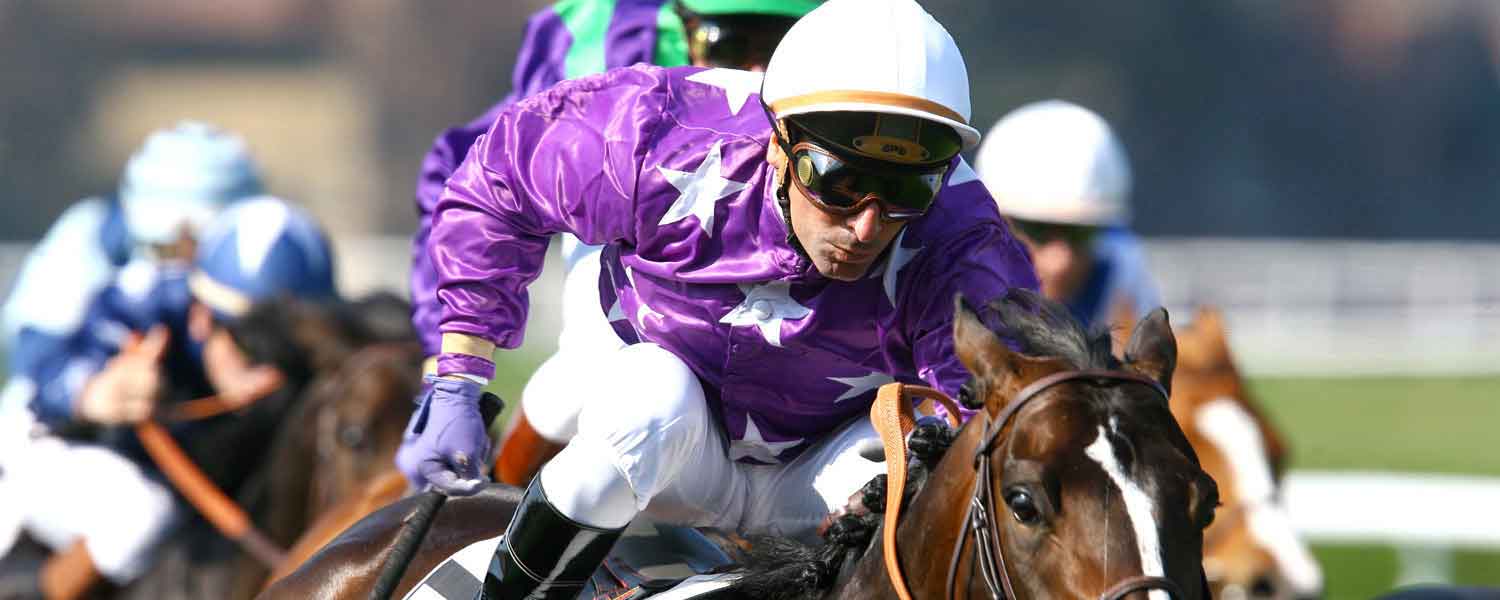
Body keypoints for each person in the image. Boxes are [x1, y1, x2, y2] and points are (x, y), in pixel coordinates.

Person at [396, 0, 1038, 597]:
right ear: (779, 142)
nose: (867, 226)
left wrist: (914, 478)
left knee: (923, 469)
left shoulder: (965, 234)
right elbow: (497, 180)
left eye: (906, 190)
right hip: (672, 437)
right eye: (839, 181)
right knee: (647, 399)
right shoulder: (655, 128)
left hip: (823, 469)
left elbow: (988, 406)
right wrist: (458, 377)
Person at [406, 0, 823, 485]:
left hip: (814, 252)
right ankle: (503, 495)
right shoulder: (601, 33)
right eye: (729, 46)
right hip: (638, 241)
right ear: (685, 26)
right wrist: (449, 372)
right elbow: (479, 171)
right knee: (594, 366)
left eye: (779, 48)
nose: (755, 74)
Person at [0, 197, 337, 599]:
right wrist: (94, 391)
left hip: (174, 480)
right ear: (201, 317)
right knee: (141, 513)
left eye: (287, 353)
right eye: (254, 344)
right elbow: (44, 373)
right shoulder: (147, 303)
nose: (267, 376)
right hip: (52, 441)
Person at [0, 121, 263, 427]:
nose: (182, 269)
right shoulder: (87, 238)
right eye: (167, 249)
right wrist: (89, 392)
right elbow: (34, 357)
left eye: (201, 249)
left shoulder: (270, 255)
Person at [974, 100, 1162, 329]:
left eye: (1080, 233)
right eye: (1037, 229)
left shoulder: (1123, 271)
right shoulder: (952, 271)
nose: (1059, 262)